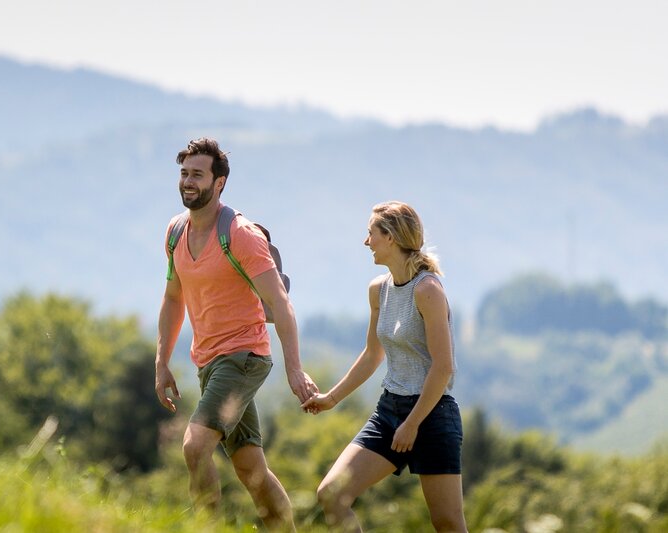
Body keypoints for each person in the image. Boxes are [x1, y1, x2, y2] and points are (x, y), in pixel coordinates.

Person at [155, 137, 318, 531]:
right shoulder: (175, 232)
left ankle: (205, 529)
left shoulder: (241, 234)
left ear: (219, 182)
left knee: (195, 447)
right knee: (250, 469)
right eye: (184, 173)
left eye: (197, 174)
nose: (187, 181)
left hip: (244, 358)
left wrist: (295, 369)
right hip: (209, 362)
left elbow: (280, 303)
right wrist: (161, 361)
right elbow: (174, 298)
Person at [302, 201, 466, 532]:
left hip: (431, 414)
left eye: (371, 233)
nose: (366, 242)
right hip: (389, 411)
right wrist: (331, 399)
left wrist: (412, 423)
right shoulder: (378, 289)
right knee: (331, 494)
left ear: (390, 237)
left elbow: (443, 367)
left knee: (447, 523)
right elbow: (372, 355)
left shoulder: (428, 290)